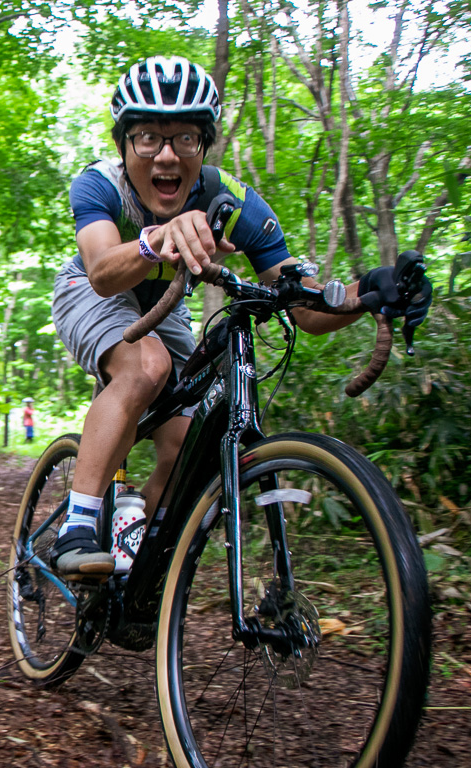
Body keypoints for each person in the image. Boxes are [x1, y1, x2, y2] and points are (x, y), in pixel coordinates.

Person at [50, 56, 433, 579]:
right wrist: (155, 237)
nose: (166, 155)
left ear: (202, 146)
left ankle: (147, 563)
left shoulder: (232, 200)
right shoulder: (100, 186)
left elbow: (304, 305)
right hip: (93, 291)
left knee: (189, 443)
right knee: (146, 367)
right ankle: (77, 526)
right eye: (147, 139)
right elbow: (101, 272)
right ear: (125, 145)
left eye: (184, 138)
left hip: (166, 309)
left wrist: (369, 291)